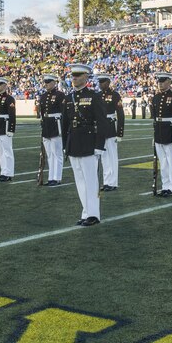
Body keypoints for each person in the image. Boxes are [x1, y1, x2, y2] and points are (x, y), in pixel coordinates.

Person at [63, 63, 110, 226]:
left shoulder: (94, 96)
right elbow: (65, 124)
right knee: (80, 182)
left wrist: (99, 145)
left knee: (91, 181)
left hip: (89, 143)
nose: (74, 78)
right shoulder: (68, 98)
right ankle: (86, 212)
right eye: (73, 75)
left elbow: (102, 122)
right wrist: (65, 146)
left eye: (77, 75)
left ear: (86, 77)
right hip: (74, 143)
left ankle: (94, 214)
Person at [151, 71, 172, 197]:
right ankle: (165, 186)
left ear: (169, 81)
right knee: (163, 163)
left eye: (163, 81)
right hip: (159, 132)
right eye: (159, 81)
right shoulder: (156, 97)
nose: (160, 84)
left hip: (170, 132)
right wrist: (155, 135)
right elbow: (155, 118)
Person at [97, 74, 125, 191]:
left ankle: (113, 183)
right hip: (101, 128)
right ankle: (106, 182)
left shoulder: (115, 95)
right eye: (99, 82)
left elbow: (120, 114)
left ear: (108, 82)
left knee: (112, 156)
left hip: (110, 127)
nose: (100, 84)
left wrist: (120, 133)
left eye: (103, 81)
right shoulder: (97, 95)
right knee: (104, 157)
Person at [39, 74, 67, 186]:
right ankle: (51, 177)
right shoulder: (43, 96)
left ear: (54, 83)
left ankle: (57, 177)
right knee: (50, 154)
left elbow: (64, 112)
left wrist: (63, 128)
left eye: (48, 82)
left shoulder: (60, 95)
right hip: (46, 126)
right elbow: (42, 113)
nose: (46, 84)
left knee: (57, 153)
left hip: (56, 125)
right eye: (45, 82)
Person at [0, 77, 16, 181]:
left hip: (5, 125)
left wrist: (11, 129)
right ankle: (4, 172)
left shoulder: (9, 99)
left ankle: (8, 173)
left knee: (7, 151)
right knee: (1, 152)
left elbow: (12, 115)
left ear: (5, 86)